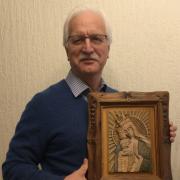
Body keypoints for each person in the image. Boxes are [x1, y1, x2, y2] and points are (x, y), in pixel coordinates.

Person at [2, 6, 177, 180]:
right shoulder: (42, 105)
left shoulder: (121, 104)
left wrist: (158, 136)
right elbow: (13, 168)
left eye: (96, 38)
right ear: (66, 49)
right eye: (78, 40)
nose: (87, 48)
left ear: (108, 48)